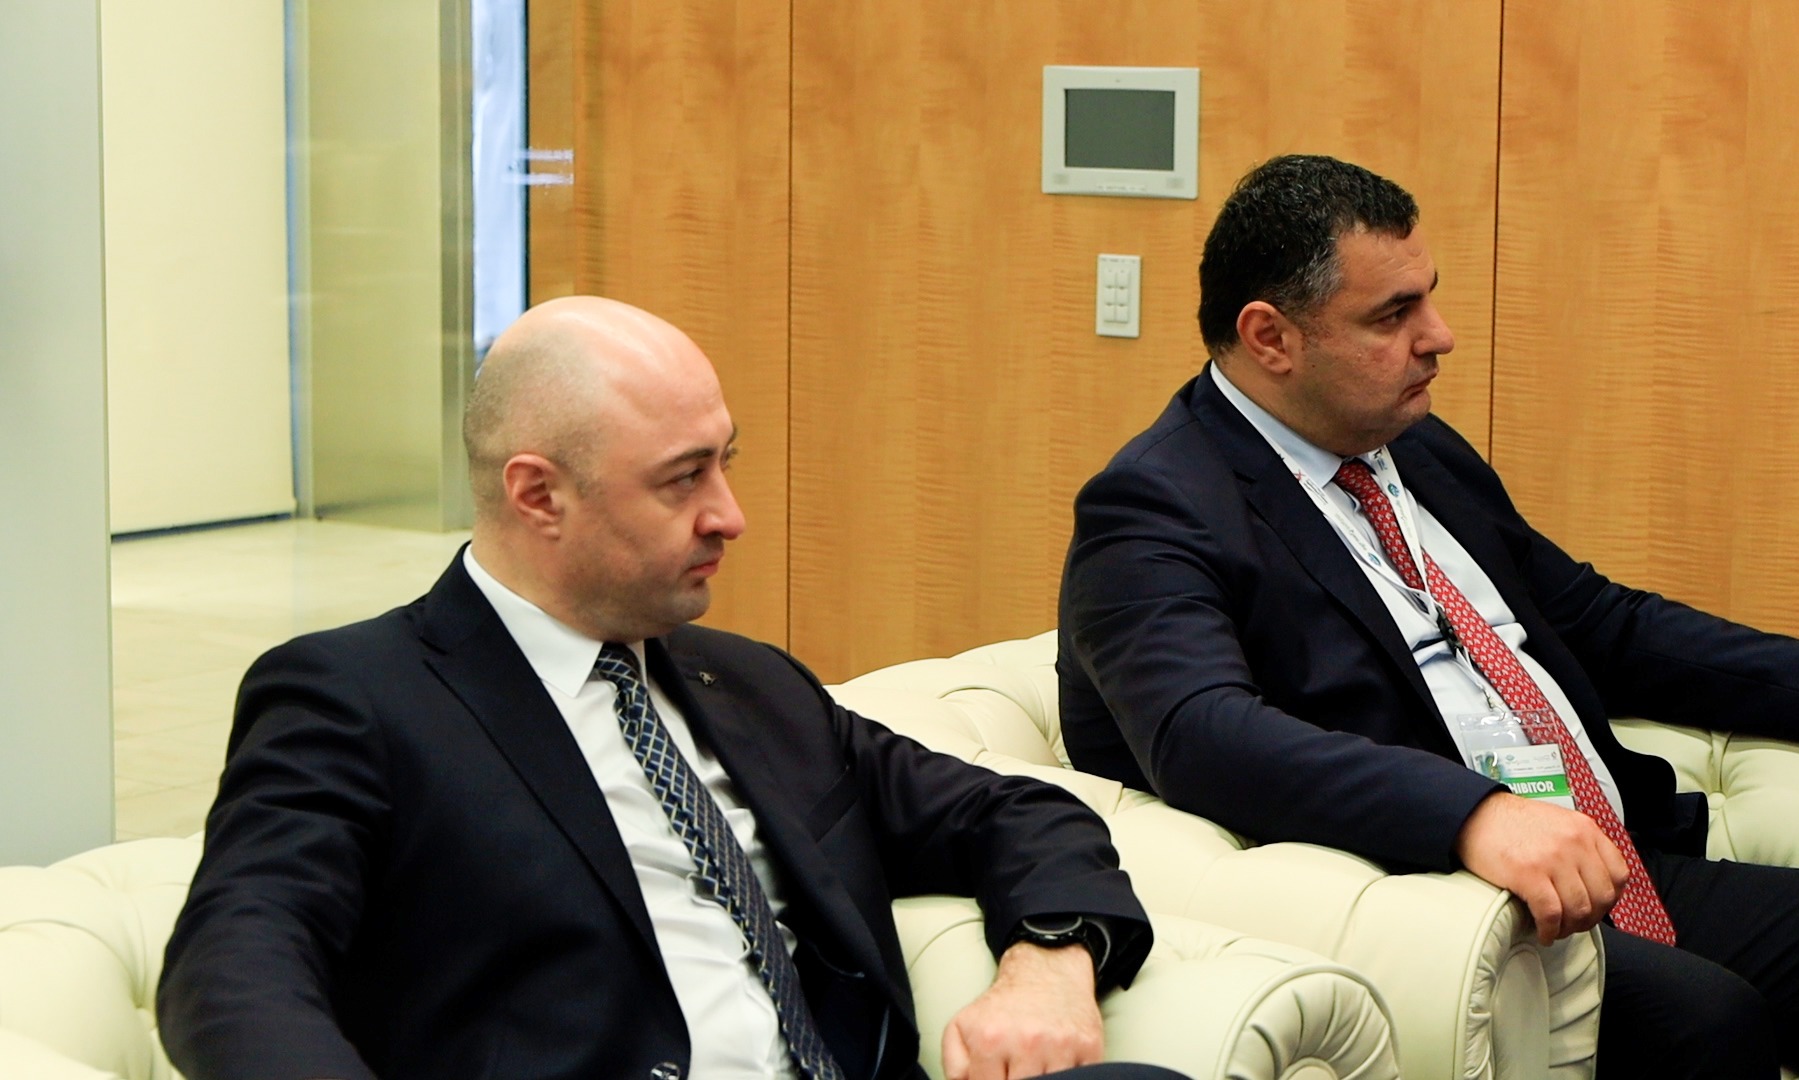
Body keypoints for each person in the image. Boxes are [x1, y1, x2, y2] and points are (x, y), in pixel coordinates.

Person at [1057, 153, 1799, 1079]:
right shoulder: (1154, 505)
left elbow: (1595, 621)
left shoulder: (1412, 446)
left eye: (1429, 297)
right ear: (1271, 337)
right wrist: (1472, 815)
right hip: (1448, 903)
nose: (1440, 336)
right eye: (1393, 315)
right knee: (1706, 1019)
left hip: (1609, 857)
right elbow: (1202, 733)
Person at [159, 297, 1174, 1080]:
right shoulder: (356, 699)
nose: (730, 515)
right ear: (538, 494)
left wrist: (1050, 962)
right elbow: (237, 962)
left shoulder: (752, 684)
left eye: (725, 464)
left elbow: (1012, 812)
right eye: (684, 479)